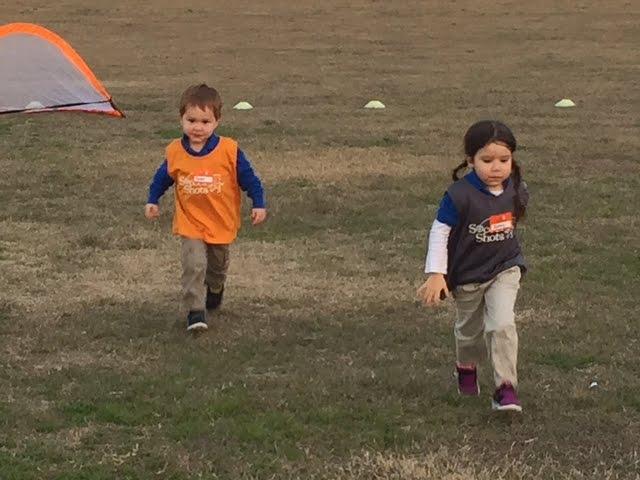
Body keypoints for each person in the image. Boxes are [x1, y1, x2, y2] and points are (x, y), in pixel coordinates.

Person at [417, 120, 529, 412]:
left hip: (505, 267)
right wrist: (436, 274)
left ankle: (505, 389)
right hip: (467, 275)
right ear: (470, 161)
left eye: (504, 160)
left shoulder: (516, 187)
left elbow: (514, 216)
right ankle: (466, 366)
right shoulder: (458, 195)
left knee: (502, 324)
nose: (497, 167)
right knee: (469, 331)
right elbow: (440, 231)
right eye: (487, 160)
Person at [145, 83, 266, 332]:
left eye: (204, 121)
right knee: (194, 264)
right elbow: (161, 178)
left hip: (220, 221)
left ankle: (216, 287)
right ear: (181, 119)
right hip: (190, 222)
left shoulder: (229, 151)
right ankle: (195, 312)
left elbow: (250, 179)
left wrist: (259, 203)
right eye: (191, 120)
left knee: (217, 265)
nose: (197, 127)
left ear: (216, 122)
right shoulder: (175, 152)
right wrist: (152, 199)